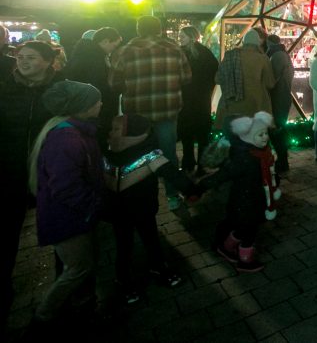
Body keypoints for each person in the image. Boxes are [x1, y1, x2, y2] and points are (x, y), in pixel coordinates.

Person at [27, 81, 104, 326]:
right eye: (96, 101)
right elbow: (65, 186)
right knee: (78, 268)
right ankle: (44, 316)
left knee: (82, 265)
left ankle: (82, 305)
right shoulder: (66, 137)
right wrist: (92, 207)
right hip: (67, 217)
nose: (101, 104)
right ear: (83, 107)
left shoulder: (73, 131)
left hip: (71, 215)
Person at [104, 113, 200, 304]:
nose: (110, 133)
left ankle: (159, 267)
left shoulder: (150, 155)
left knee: (150, 238)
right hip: (118, 212)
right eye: (112, 128)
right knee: (124, 246)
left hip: (143, 210)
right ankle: (123, 280)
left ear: (133, 134)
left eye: (116, 129)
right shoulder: (107, 153)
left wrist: (192, 189)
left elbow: (172, 174)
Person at [0, 41, 61, 323]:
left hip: (48, 172)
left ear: (48, 61)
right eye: (20, 57)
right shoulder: (6, 89)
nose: (23, 62)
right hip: (10, 171)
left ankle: (65, 286)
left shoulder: (60, 90)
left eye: (31, 58)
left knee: (60, 228)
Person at [110, 16, 192, 211]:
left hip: (137, 113)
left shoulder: (125, 51)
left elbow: (114, 83)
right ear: (159, 29)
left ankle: (138, 198)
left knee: (137, 155)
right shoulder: (174, 49)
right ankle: (172, 195)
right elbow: (187, 78)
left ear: (139, 30)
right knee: (168, 152)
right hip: (167, 109)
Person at [201, 112, 277, 273]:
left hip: (255, 199)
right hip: (243, 201)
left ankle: (227, 247)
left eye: (266, 133)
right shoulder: (244, 158)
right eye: (260, 135)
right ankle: (244, 259)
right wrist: (199, 187)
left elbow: (269, 175)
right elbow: (221, 176)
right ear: (248, 138)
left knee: (245, 227)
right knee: (248, 231)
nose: (265, 138)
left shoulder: (261, 153)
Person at [61, 27, 123, 148]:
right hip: (92, 111)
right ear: (105, 41)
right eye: (114, 46)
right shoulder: (94, 58)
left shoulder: (84, 53)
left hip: (84, 109)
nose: (113, 50)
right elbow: (97, 85)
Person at [177, 26, 219, 176]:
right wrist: (207, 87)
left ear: (191, 36)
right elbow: (215, 71)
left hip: (191, 97)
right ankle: (197, 163)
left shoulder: (185, 52)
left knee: (191, 132)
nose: (179, 37)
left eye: (182, 35)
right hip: (198, 98)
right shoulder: (202, 52)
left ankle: (191, 163)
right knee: (197, 132)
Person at [215, 28, 275, 131]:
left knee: (234, 136)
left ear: (244, 41)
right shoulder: (262, 58)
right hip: (256, 105)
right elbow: (270, 83)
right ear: (258, 43)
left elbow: (218, 79)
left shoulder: (230, 55)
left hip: (231, 104)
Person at [266, 34, 295, 174]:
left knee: (277, 130)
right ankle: (282, 159)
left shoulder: (277, 56)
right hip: (282, 97)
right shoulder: (282, 54)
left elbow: (272, 80)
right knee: (278, 129)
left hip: (279, 98)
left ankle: (282, 160)